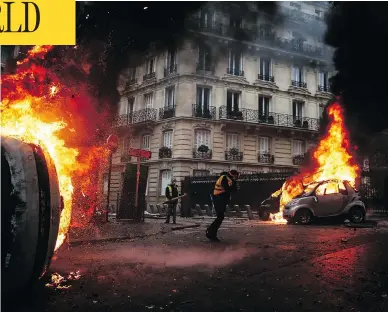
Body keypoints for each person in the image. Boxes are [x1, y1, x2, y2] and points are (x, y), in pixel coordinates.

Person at [206, 170, 240, 241]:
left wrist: (234, 184)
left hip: (220, 199)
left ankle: (211, 233)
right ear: (234, 175)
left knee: (220, 217)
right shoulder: (224, 177)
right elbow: (227, 188)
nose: (237, 178)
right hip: (219, 199)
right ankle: (210, 232)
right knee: (220, 217)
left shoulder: (227, 178)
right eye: (237, 176)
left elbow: (233, 190)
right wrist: (234, 183)